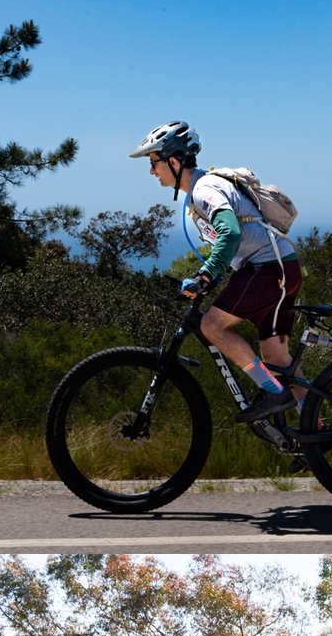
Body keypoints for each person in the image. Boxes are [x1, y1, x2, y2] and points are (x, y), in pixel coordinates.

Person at [129, 121, 304, 424]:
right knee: (276, 356)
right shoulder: (202, 189)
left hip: (267, 268)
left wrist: (206, 275)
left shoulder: (204, 189)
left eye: (154, 162)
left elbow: (230, 233)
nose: (151, 171)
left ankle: (274, 392)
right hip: (280, 268)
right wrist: (209, 278)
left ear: (174, 162)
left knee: (211, 326)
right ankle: (314, 430)